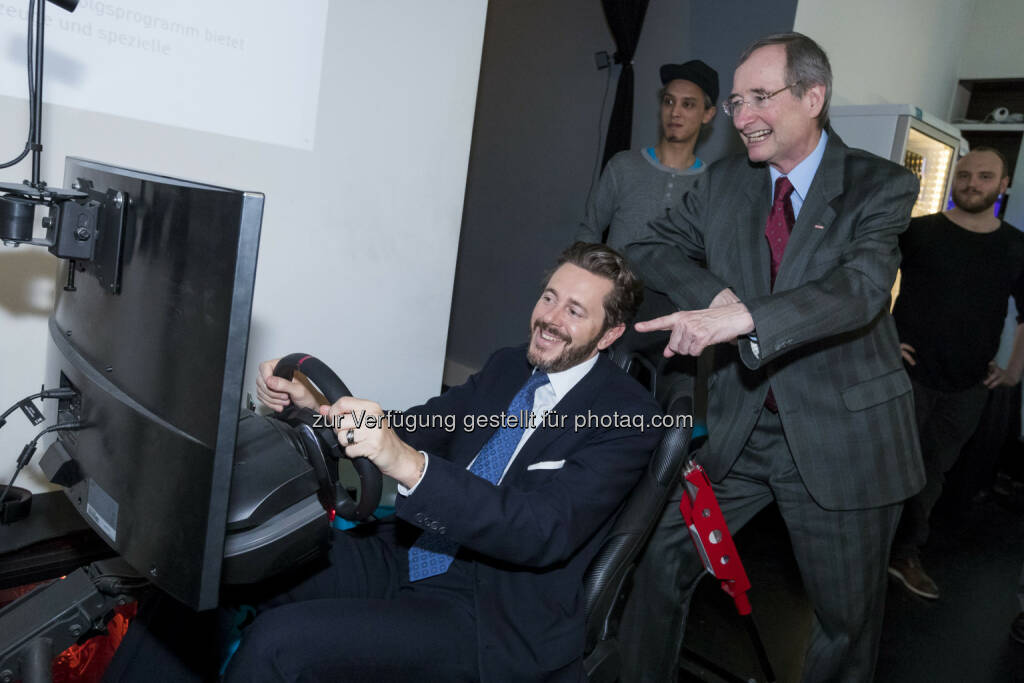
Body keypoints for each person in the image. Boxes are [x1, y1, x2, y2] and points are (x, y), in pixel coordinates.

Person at [110, 242, 662, 683]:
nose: (549, 318)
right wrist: (320, 409)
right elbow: (423, 424)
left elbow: (540, 531)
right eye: (548, 297)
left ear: (610, 333)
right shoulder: (507, 368)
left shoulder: (628, 417)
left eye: (574, 310)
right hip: (412, 553)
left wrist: (408, 465)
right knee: (217, 570)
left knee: (278, 647)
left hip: (489, 611)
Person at [618, 33, 925, 683]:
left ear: (814, 97)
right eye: (735, 101)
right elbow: (651, 245)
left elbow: (860, 289)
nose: (743, 114)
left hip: (845, 440)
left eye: (761, 96)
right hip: (742, 429)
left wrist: (745, 316)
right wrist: (716, 293)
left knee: (846, 623)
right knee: (659, 561)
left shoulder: (881, 185)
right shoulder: (726, 182)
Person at [887, 148, 1024, 600]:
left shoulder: (1015, 246)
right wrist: (880, 339)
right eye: (964, 175)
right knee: (884, 466)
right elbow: (866, 283)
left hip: (968, 385)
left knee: (931, 472)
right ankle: (857, 551)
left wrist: (1013, 370)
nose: (972, 183)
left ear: (1003, 185)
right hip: (906, 374)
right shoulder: (918, 231)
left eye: (985, 176)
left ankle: (904, 554)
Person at [575, 59, 718, 251]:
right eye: (669, 101)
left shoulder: (710, 186)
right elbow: (589, 231)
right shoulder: (623, 166)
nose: (675, 111)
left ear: (707, 114)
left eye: (688, 104)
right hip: (615, 281)